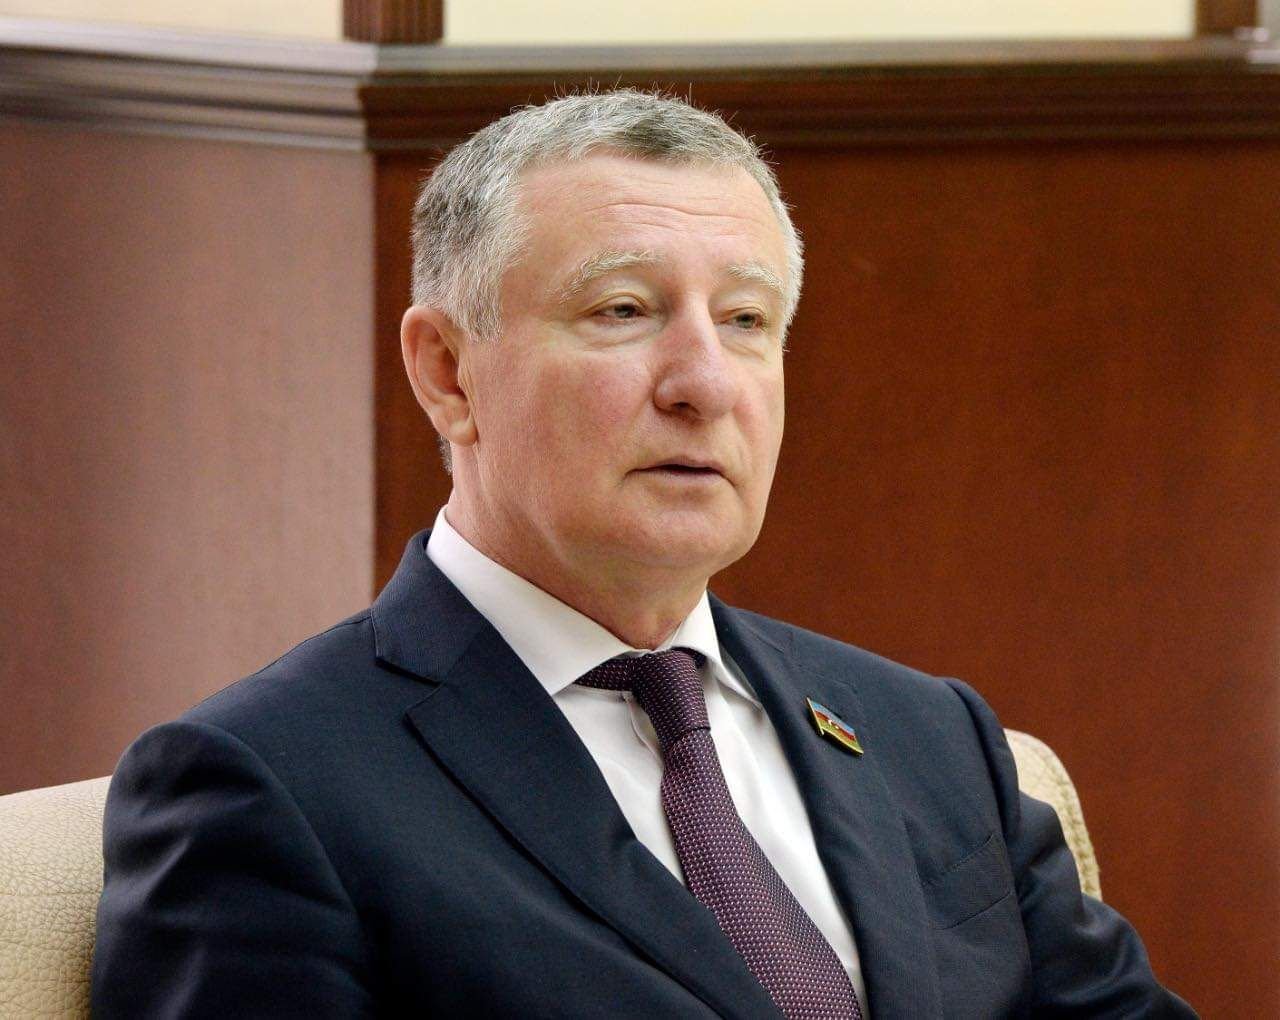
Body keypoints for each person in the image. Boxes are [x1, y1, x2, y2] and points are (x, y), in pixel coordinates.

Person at [91, 90, 1195, 1018]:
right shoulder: (267, 785)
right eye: (623, 310)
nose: (704, 382)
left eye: (747, 321)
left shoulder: (931, 735)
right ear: (447, 373)